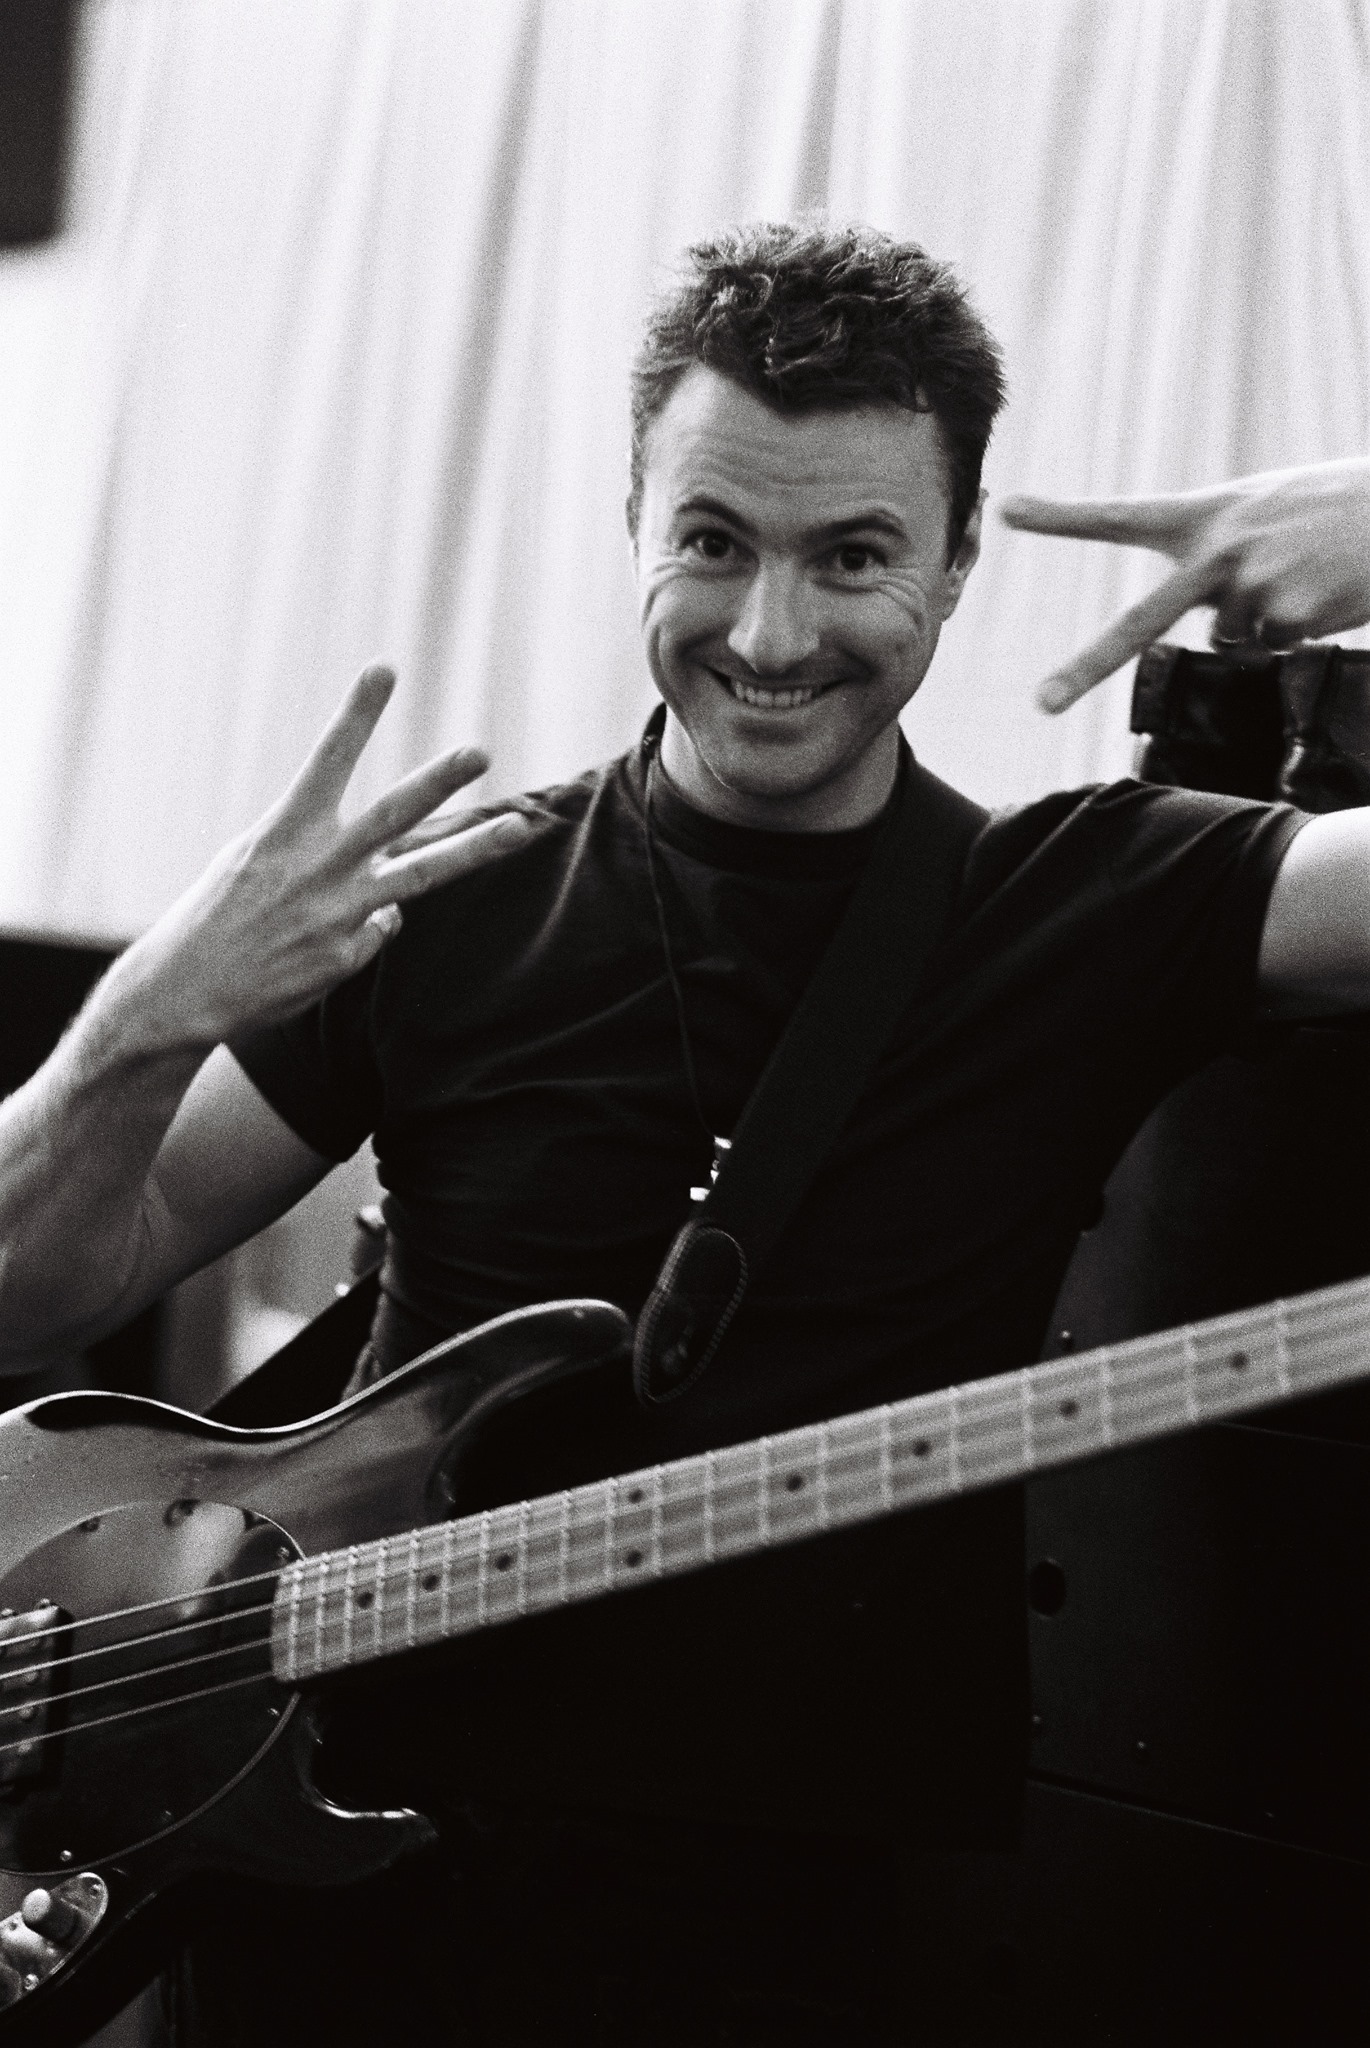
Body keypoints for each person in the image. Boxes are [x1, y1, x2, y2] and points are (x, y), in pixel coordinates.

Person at [2, 221, 1369, 2045]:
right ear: (634, 523)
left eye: (853, 555)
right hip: (332, 1898)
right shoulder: (453, 901)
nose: (771, 634)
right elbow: (36, 1289)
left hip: (781, 1941)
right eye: (713, 542)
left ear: (958, 560)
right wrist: (147, 1017)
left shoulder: (1089, 907)